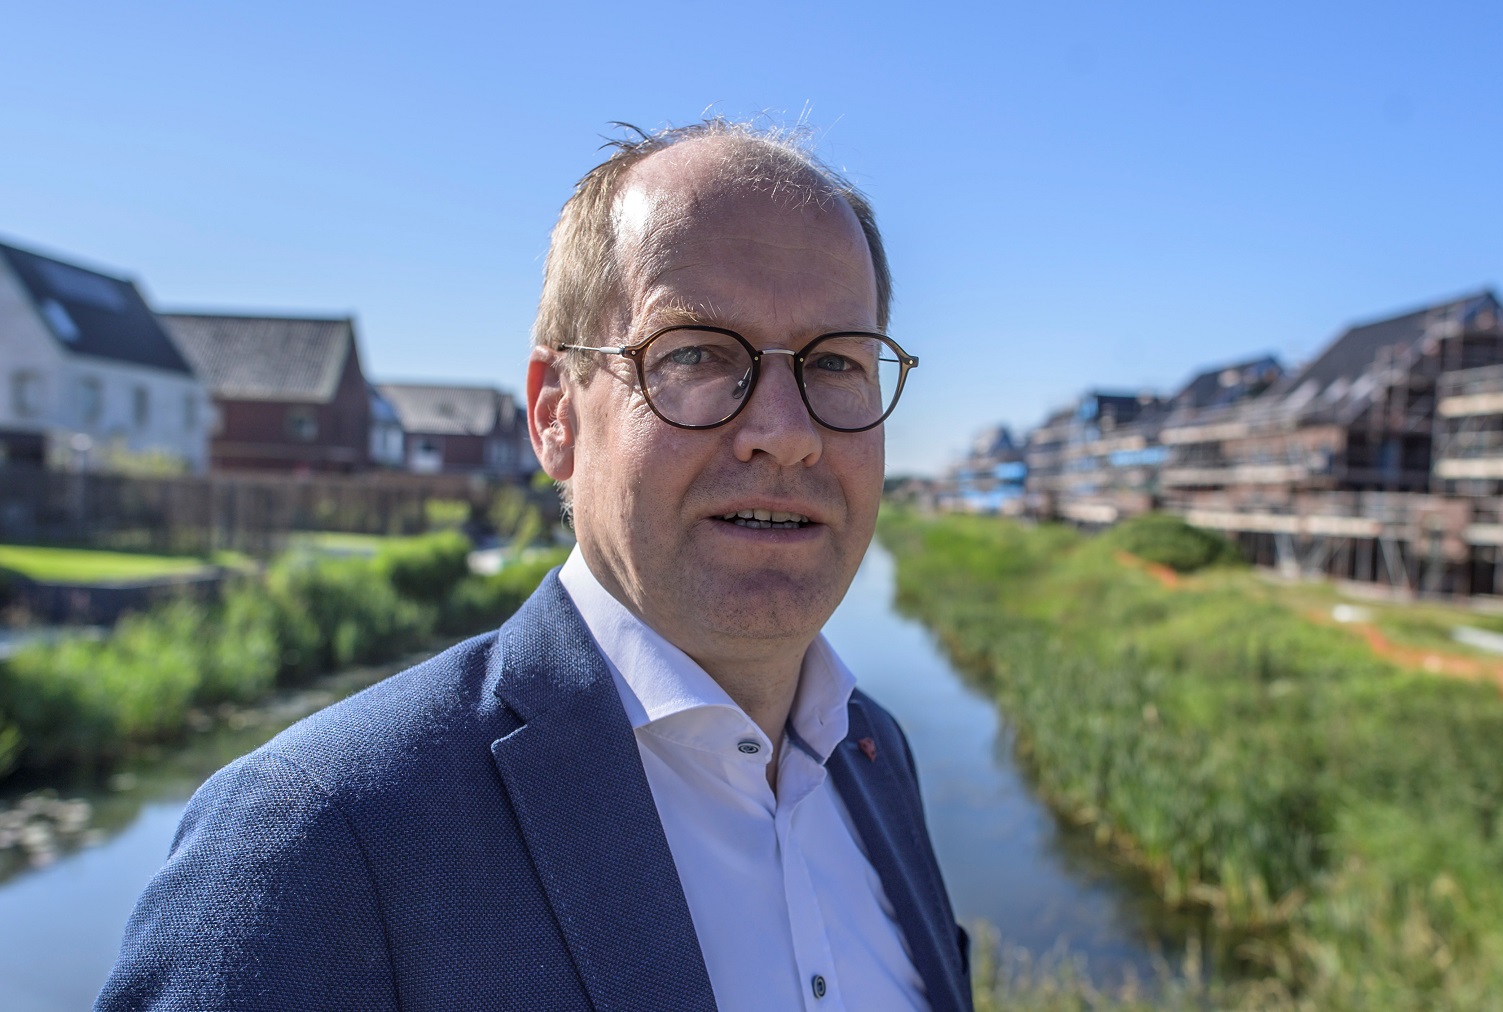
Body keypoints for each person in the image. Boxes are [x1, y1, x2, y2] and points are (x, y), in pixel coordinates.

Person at [97, 121, 971, 1012]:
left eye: (834, 362)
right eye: (699, 354)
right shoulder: (318, 838)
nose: (786, 434)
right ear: (555, 416)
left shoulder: (873, 754)